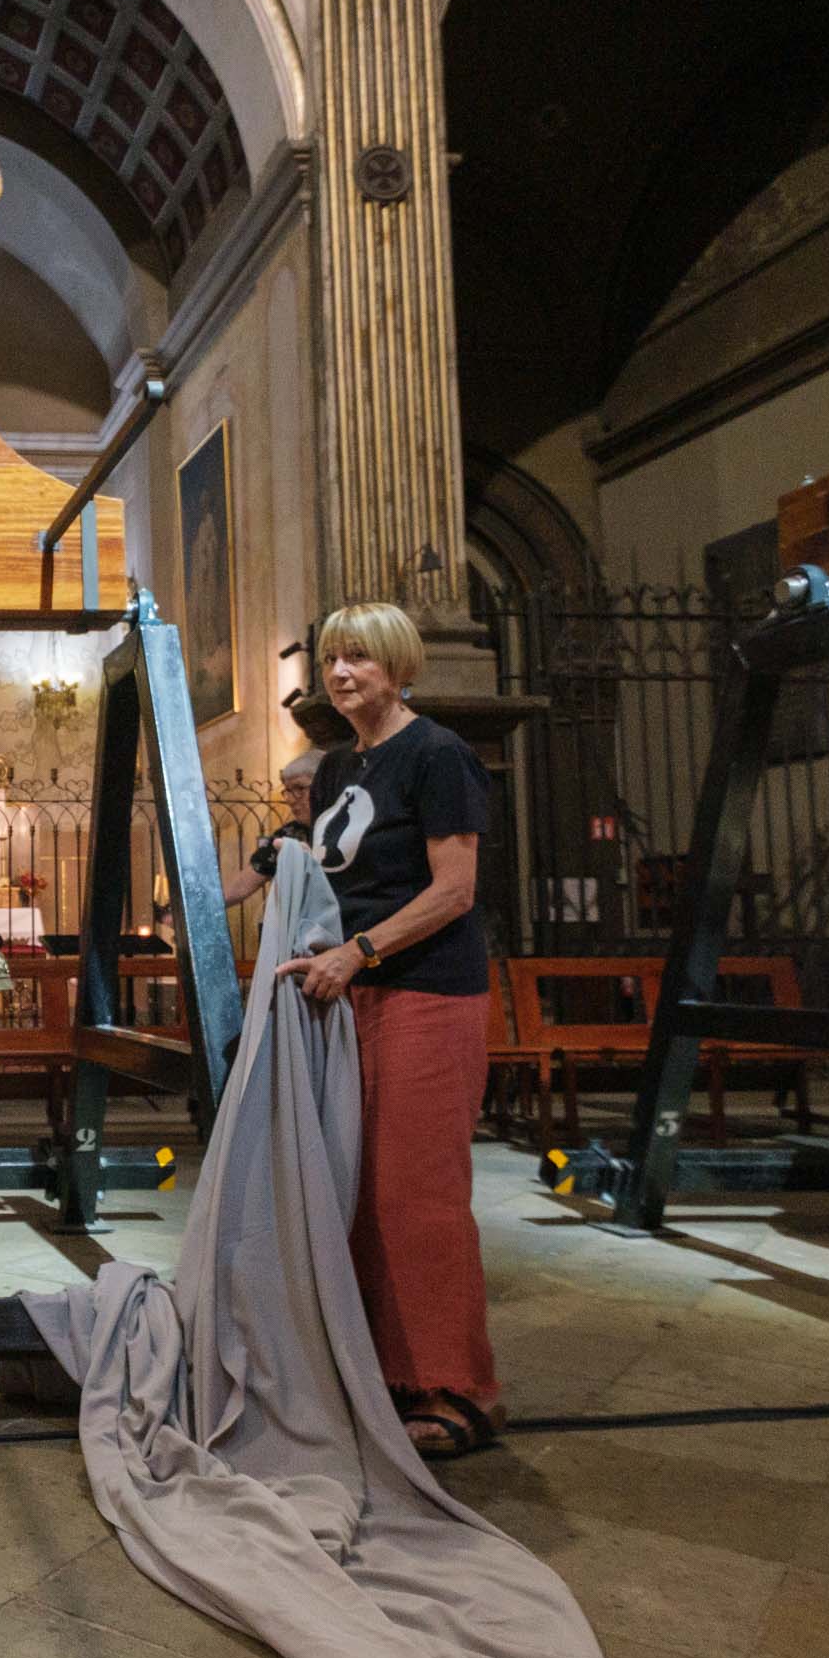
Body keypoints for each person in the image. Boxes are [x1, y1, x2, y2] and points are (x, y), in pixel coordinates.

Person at [277, 603, 501, 1459]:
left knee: (417, 1193)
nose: (341, 674)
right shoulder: (338, 768)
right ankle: (383, 1369)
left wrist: (360, 953)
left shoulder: (438, 755)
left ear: (399, 667)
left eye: (360, 659)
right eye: (333, 659)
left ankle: (460, 1388)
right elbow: (319, 874)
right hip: (353, 994)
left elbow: (454, 889)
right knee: (357, 1187)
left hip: (425, 994)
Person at [222, 749, 325, 908]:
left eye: (299, 789)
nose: (290, 799)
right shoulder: (290, 835)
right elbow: (241, 886)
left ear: (325, 785)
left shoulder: (350, 829)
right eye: (287, 791)